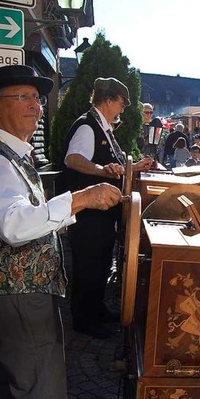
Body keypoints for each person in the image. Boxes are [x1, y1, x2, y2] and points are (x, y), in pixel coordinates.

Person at [0, 65, 122, 399]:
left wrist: (64, 215)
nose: (36, 106)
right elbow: (14, 225)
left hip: (20, 293)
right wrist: (81, 198)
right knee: (40, 396)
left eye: (37, 98)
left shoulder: (11, 155)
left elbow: (27, 217)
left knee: (17, 388)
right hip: (14, 297)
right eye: (24, 97)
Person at [62, 77, 152, 339]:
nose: (122, 110)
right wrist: (101, 170)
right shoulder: (87, 127)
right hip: (89, 213)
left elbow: (111, 166)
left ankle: (97, 309)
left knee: (101, 262)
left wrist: (133, 168)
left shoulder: (103, 127)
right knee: (88, 263)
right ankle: (84, 319)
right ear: (109, 100)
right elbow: (74, 159)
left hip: (102, 213)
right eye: (121, 104)